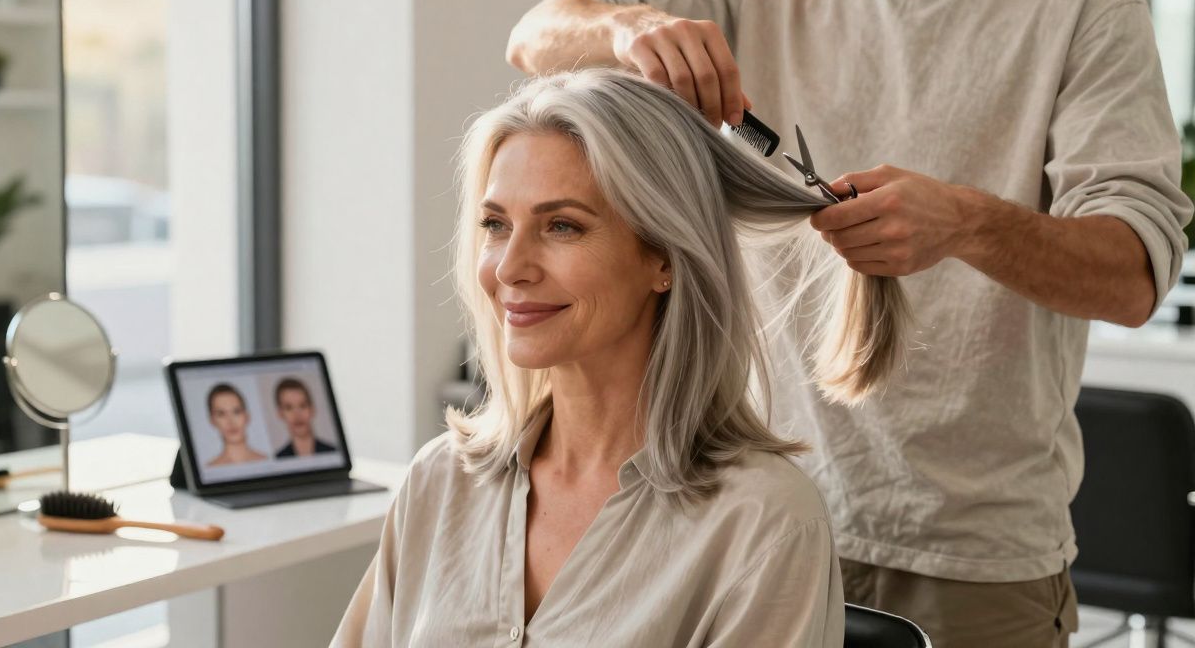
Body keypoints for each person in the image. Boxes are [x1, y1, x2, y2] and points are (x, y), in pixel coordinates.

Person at [505, 0, 1194, 645]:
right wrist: (627, 29)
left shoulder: (1084, 0)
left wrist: (968, 223)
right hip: (750, 524)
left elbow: (1132, 276)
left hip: (968, 566)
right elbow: (534, 37)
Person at [333, 69, 915, 647]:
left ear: (664, 257)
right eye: (495, 224)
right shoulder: (438, 483)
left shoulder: (763, 520)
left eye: (562, 226)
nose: (510, 267)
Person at [205, 383, 268, 467]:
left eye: (236, 412)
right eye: (221, 414)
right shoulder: (210, 468)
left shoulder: (266, 461)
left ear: (247, 416)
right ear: (212, 421)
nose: (231, 422)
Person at [273, 377, 336, 458]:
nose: (297, 415)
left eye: (302, 406)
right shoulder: (279, 458)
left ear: (312, 409)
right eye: (288, 408)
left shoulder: (332, 452)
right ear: (280, 413)